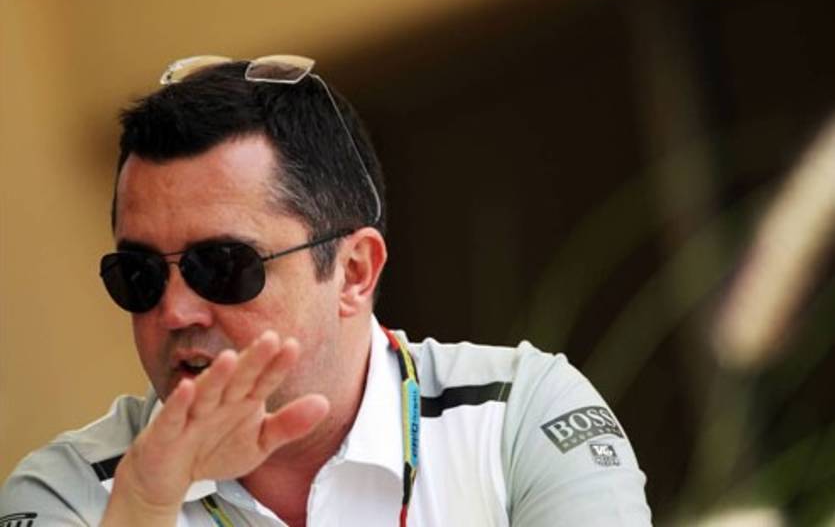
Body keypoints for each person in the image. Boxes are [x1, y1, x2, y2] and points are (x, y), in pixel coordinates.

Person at [0, 55, 652, 526]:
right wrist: (144, 504)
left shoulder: (516, 415)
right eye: (139, 275)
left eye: (221, 266)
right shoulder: (68, 490)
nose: (174, 310)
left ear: (354, 271)